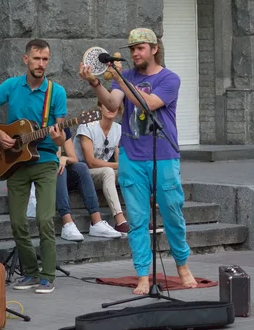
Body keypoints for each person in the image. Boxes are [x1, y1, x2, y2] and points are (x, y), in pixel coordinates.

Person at [79, 27, 198, 294]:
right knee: (137, 219)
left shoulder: (170, 79)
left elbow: (149, 103)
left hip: (164, 156)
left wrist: (119, 78)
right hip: (132, 156)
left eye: (140, 48)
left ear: (154, 49)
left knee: (173, 214)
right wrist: (95, 83)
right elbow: (111, 104)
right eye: (132, 49)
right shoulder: (126, 75)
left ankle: (182, 266)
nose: (135, 53)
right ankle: (143, 274)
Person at [0, 39, 66, 294]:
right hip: (15, 162)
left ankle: (48, 275)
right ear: (25, 60)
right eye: (36, 59)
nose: (41, 64)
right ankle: (31, 272)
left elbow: (62, 131)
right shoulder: (12, 86)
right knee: (17, 221)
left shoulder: (56, 92)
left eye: (45, 59)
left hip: (45, 161)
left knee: (45, 219)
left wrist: (59, 138)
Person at [56, 127, 122, 242]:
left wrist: (64, 158)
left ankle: (96, 222)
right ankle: (67, 222)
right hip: (45, 171)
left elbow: (74, 158)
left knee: (81, 166)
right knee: (58, 167)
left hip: (62, 174)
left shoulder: (61, 127)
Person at [74, 101, 130, 233]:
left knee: (131, 172)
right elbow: (91, 162)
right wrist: (119, 165)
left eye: (114, 106)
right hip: (83, 173)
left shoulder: (118, 129)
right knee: (109, 171)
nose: (111, 109)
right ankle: (120, 220)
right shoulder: (87, 126)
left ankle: (140, 219)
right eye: (107, 105)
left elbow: (119, 158)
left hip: (103, 173)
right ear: (100, 106)